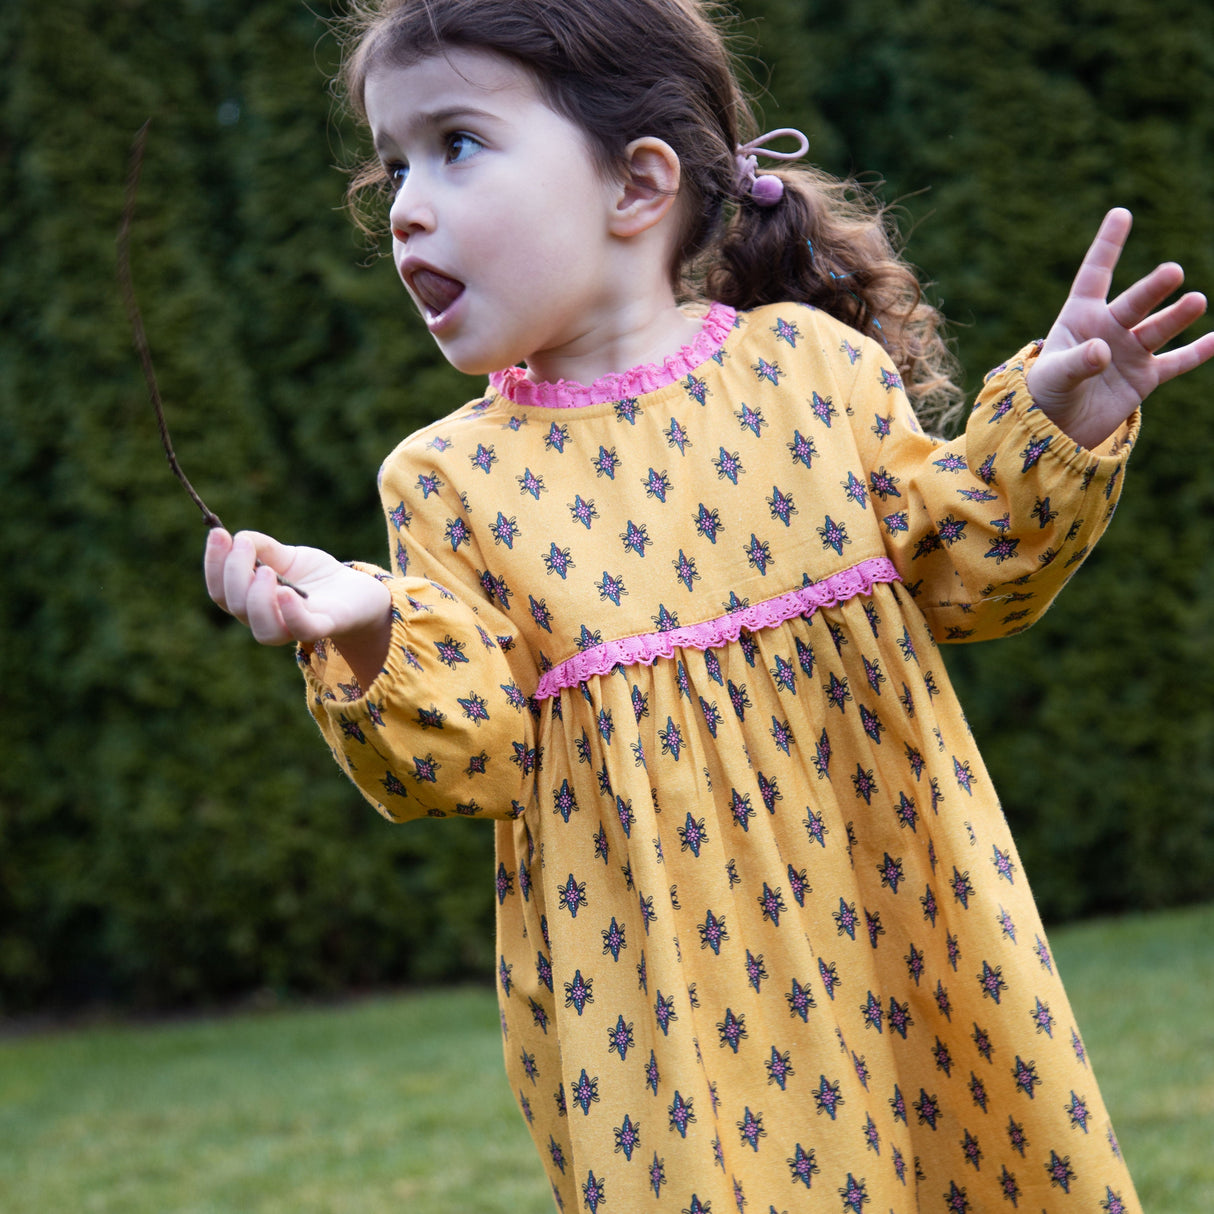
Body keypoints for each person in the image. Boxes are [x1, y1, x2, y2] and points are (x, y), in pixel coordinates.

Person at [204, 1, 1213, 1209]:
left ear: (637, 184)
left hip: (906, 923)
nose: (406, 205)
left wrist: (1057, 424)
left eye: (456, 145)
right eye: (393, 165)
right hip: (663, 1018)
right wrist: (366, 627)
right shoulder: (446, 481)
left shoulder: (811, 372)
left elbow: (966, 564)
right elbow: (465, 754)